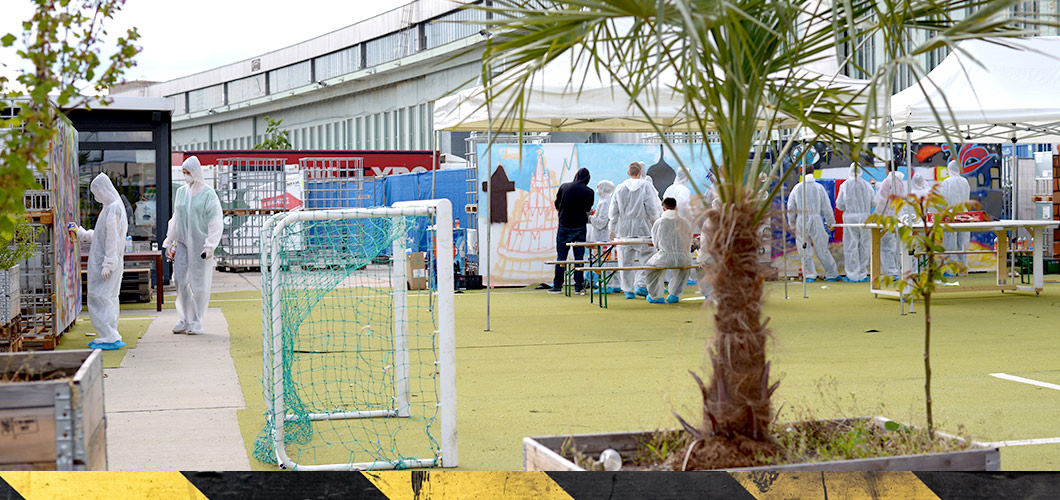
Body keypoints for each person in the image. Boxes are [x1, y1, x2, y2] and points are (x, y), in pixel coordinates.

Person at [162, 156, 223, 335]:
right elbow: (176, 218)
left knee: (199, 284)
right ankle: (185, 318)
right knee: (179, 280)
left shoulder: (208, 194)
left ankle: (197, 321)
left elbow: (215, 220)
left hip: (200, 246)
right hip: (182, 243)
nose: (186, 176)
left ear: (196, 172)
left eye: (188, 172)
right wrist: (169, 240)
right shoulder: (181, 192)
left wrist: (210, 245)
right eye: (184, 173)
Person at [68, 174, 128, 350]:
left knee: (100, 297)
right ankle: (108, 334)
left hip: (106, 264)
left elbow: (112, 240)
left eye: (96, 193)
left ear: (102, 190)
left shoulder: (113, 209)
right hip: (107, 262)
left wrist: (108, 263)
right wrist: (81, 233)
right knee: (107, 298)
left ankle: (109, 335)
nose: (96, 197)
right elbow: (101, 236)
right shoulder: (110, 207)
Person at [608, 161, 662, 299]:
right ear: (640, 173)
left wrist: (612, 229)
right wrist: (655, 224)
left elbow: (613, 211)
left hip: (623, 228)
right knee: (648, 258)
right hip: (643, 227)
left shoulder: (619, 188)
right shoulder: (646, 186)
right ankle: (642, 285)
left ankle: (628, 290)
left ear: (628, 172)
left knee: (625, 261)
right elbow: (651, 208)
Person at [786, 164, 839, 282]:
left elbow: (791, 208)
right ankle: (832, 273)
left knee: (804, 250)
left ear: (801, 173)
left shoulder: (797, 188)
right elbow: (827, 207)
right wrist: (831, 223)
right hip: (816, 220)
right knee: (822, 249)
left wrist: (793, 224)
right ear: (813, 173)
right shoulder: (819, 188)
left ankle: (809, 275)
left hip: (801, 221)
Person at [551, 168, 594, 294]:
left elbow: (557, 204)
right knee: (579, 257)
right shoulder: (589, 192)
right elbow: (587, 208)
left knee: (561, 257)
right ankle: (578, 287)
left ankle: (557, 286)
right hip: (580, 226)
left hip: (564, 225)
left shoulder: (564, 187)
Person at [645, 197, 693, 304]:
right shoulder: (685, 222)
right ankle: (674, 295)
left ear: (664, 209)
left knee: (651, 268)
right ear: (676, 207)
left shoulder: (659, 222)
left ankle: (656, 296)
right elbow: (689, 241)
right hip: (683, 257)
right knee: (683, 270)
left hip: (664, 256)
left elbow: (656, 243)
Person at [835, 162, 875, 282]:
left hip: (850, 219)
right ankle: (863, 274)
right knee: (864, 246)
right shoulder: (867, 186)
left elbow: (840, 205)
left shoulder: (845, 185)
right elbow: (873, 202)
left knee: (850, 246)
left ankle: (852, 275)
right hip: (865, 218)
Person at [874, 164, 907, 277]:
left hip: (887, 218)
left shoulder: (888, 181)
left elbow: (882, 201)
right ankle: (898, 270)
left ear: (887, 169)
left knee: (886, 247)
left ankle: (891, 272)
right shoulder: (900, 182)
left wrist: (876, 217)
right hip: (898, 217)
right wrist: (876, 185)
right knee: (896, 246)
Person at [940, 160, 971, 272]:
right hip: (964, 214)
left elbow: (943, 201)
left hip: (951, 215)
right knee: (963, 243)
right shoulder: (965, 181)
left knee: (950, 243)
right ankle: (963, 269)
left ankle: (950, 270)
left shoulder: (946, 182)